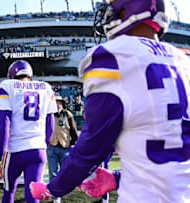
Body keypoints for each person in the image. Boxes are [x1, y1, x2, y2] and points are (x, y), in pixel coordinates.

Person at [30, 0, 190, 202]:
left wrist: (54, 188)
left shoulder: (114, 55)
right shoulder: (184, 63)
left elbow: (93, 146)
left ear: (128, 8)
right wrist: (118, 178)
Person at [0, 60, 57, 203]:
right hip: (38, 149)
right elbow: (50, 124)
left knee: (9, 192)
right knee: (32, 195)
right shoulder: (46, 87)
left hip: (16, 150)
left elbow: (4, 124)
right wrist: (44, 144)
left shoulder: (7, 86)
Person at [47, 96, 78, 203]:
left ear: (62, 104)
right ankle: (56, 195)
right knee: (53, 172)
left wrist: (73, 144)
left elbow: (73, 131)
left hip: (65, 147)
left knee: (64, 172)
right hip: (52, 147)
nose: (57, 104)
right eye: (55, 102)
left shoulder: (68, 115)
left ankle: (61, 190)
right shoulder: (48, 115)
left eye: (59, 102)